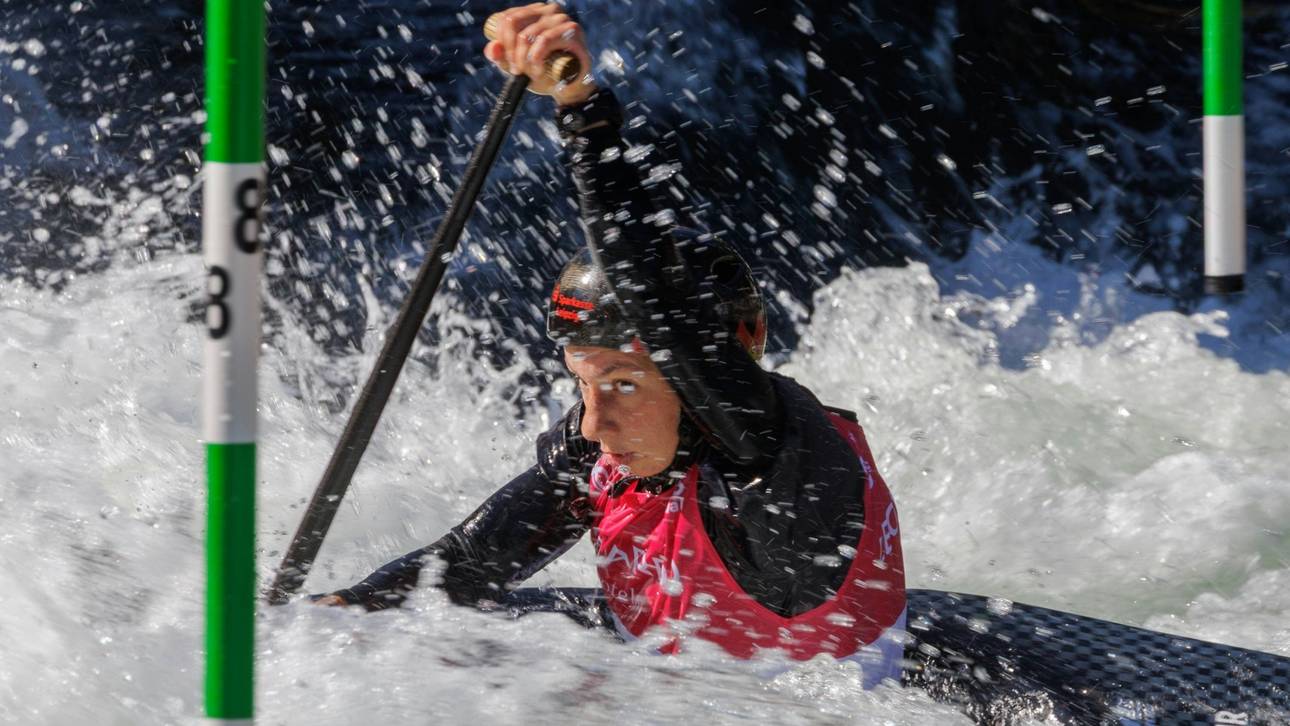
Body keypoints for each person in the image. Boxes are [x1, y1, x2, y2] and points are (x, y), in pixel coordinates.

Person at [320, 2, 907, 683]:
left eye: (625, 382)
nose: (595, 423)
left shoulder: (783, 465)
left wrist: (580, 106)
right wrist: (339, 613)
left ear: (703, 372)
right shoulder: (602, 451)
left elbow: (657, 301)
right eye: (583, 382)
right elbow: (470, 564)